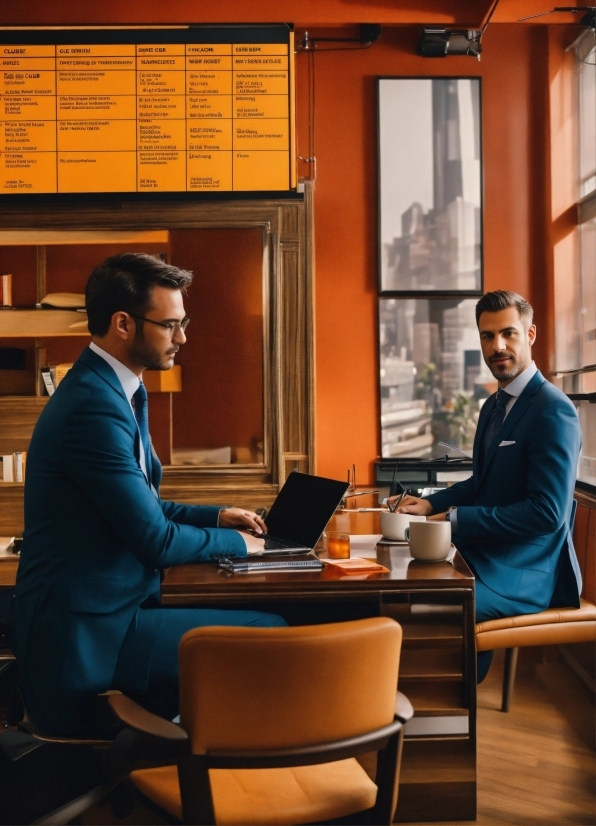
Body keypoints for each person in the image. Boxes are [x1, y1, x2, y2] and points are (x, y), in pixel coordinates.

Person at [12, 253, 286, 736]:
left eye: (183, 323)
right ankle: (211, 779)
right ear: (122, 323)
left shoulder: (113, 390)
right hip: (92, 631)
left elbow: (139, 506)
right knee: (270, 633)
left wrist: (218, 517)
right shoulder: (93, 409)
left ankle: (188, 759)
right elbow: (154, 539)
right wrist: (244, 546)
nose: (182, 338)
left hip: (114, 608)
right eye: (170, 325)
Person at [390, 290, 582, 681]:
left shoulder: (554, 409)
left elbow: (546, 514)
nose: (497, 346)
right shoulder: (492, 406)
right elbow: (482, 482)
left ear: (530, 335)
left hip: (524, 573)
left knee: (437, 602)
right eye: (487, 336)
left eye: (508, 334)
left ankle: (452, 716)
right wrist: (428, 504)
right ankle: (407, 703)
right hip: (483, 555)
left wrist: (454, 519)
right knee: (400, 588)